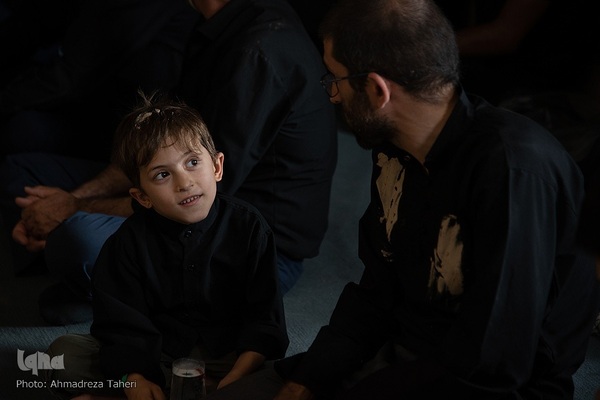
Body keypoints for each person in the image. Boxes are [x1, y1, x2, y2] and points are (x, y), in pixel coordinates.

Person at [204, 0, 600, 399]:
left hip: (488, 384)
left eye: (335, 79)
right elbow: (377, 287)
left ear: (377, 90)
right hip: (405, 345)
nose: (333, 96)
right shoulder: (395, 147)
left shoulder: (513, 171)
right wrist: (309, 377)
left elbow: (495, 360)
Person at [0, 0, 337, 323]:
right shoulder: (217, 24)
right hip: (175, 195)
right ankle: (91, 272)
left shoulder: (258, 50)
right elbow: (155, 145)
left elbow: (196, 195)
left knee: (79, 240)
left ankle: (97, 277)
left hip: (248, 244)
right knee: (21, 171)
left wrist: (74, 209)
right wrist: (72, 201)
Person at [44, 95, 288, 400]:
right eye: (162, 174)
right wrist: (135, 377)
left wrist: (238, 377)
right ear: (142, 196)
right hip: (156, 354)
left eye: (193, 162)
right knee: (61, 357)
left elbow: (265, 319)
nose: (184, 182)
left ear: (217, 166)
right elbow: (121, 325)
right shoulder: (126, 243)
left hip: (227, 357)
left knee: (285, 377)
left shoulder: (249, 227)